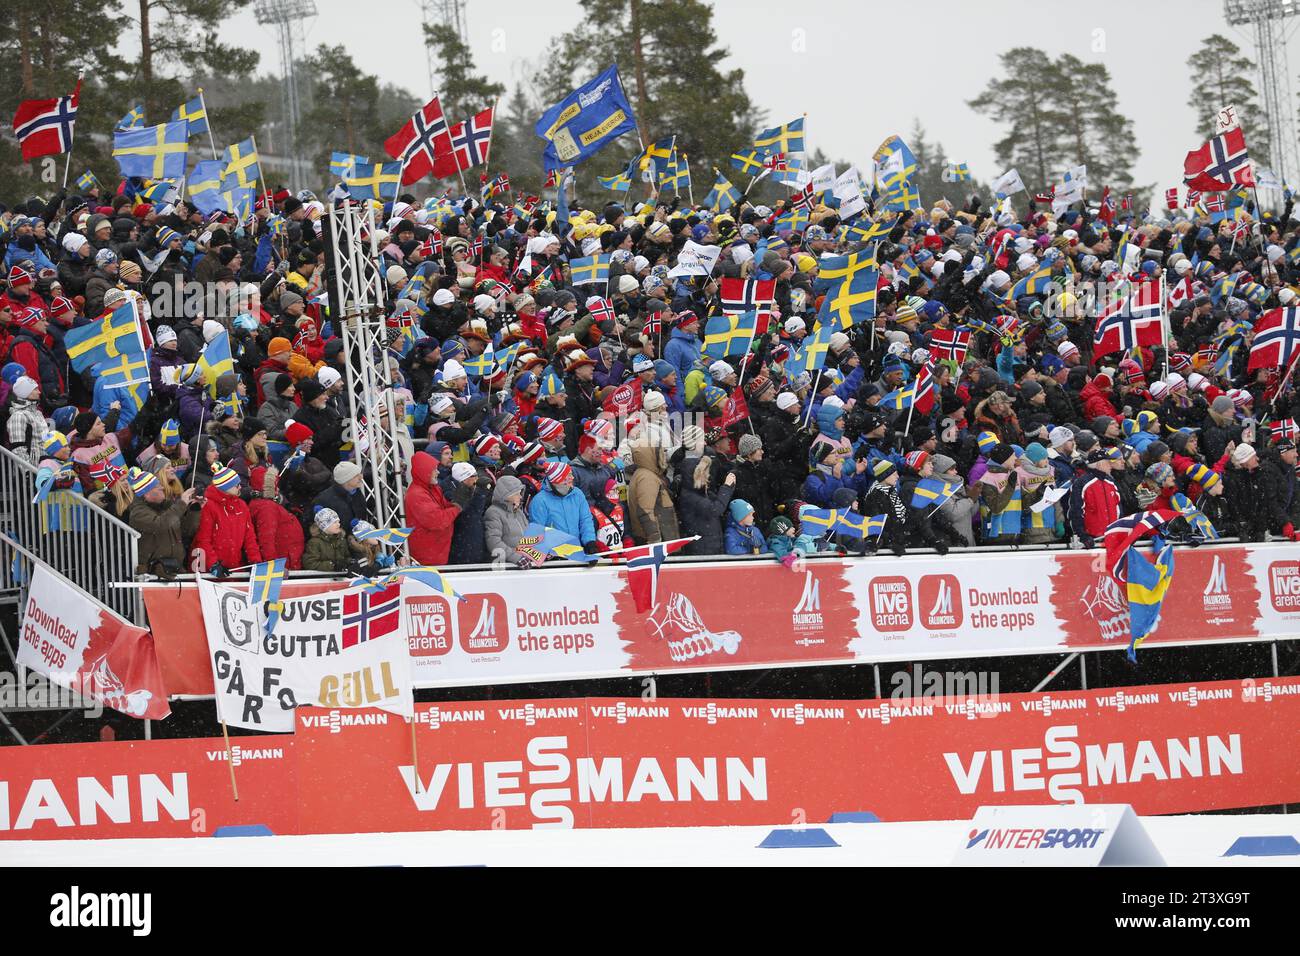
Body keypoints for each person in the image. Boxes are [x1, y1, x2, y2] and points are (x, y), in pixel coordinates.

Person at [190, 464, 263, 574]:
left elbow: (250, 537)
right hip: (208, 569)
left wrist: (255, 561)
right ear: (225, 487)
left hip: (233, 566)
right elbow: (203, 539)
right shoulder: (208, 506)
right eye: (237, 485)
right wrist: (213, 564)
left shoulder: (242, 506)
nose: (240, 487)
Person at [406, 451, 461, 566]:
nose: (438, 472)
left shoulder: (432, 487)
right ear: (424, 471)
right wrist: (458, 507)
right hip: (427, 556)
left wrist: (458, 497)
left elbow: (445, 506)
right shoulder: (417, 495)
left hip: (437, 551)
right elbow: (437, 520)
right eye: (434, 469)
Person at [528, 460, 597, 551]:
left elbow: (585, 520)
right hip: (554, 556)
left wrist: (589, 542)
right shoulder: (540, 501)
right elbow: (537, 530)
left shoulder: (577, 494)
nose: (572, 478)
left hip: (576, 550)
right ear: (558, 479)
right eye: (568, 475)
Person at [485, 474, 531, 564]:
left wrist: (541, 552)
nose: (521, 497)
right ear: (507, 495)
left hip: (526, 562)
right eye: (517, 494)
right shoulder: (493, 512)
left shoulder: (519, 512)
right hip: (506, 567)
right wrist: (516, 558)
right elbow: (493, 542)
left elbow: (530, 536)